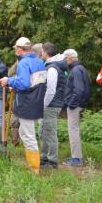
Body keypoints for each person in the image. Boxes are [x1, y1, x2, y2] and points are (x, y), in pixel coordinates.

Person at [0, 37, 47, 174]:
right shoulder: (39, 61)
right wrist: (15, 82)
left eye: (15, 49)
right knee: (26, 134)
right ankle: (33, 166)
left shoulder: (24, 63)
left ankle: (34, 169)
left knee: (28, 135)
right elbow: (34, 83)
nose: (15, 51)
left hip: (27, 103)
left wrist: (9, 81)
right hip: (37, 101)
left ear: (20, 49)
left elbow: (24, 84)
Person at [40, 42, 68, 170]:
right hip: (51, 104)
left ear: (45, 52)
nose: (41, 53)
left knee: (50, 133)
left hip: (51, 105)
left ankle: (52, 162)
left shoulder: (52, 68)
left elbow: (51, 90)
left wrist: (43, 105)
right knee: (44, 132)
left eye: (42, 51)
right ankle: (44, 158)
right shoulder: (52, 66)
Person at [61, 49, 91, 166]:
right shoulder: (80, 68)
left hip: (75, 105)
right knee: (74, 129)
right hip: (79, 103)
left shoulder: (76, 70)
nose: (64, 61)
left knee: (73, 130)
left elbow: (79, 90)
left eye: (65, 59)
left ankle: (77, 158)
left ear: (70, 58)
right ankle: (76, 157)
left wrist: (71, 104)